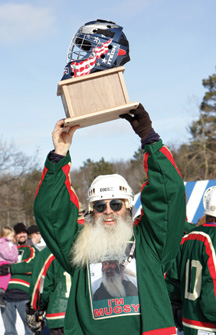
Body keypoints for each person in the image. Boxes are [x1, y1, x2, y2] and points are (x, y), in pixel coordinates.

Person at [34, 104, 186, 335]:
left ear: (128, 207)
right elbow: (51, 213)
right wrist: (59, 154)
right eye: (99, 205)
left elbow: (168, 195)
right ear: (90, 210)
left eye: (116, 204)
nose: (108, 211)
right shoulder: (79, 247)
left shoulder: (151, 242)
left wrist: (149, 137)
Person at [166, 186, 216, 335]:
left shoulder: (187, 238)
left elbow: (172, 283)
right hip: (208, 325)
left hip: (189, 323)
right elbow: (212, 287)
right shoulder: (211, 238)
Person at [0, 222, 39, 335]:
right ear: (14, 236)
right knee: (9, 331)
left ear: (27, 235)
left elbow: (31, 265)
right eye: (18, 233)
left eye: (24, 232)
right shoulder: (5, 249)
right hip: (5, 295)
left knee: (30, 330)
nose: (22, 235)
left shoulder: (31, 249)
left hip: (24, 293)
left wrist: (10, 268)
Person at [26, 246, 71, 335]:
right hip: (84, 315)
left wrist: (35, 310)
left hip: (58, 314)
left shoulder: (48, 253)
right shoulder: (85, 248)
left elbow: (40, 288)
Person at [0, 226, 18, 308]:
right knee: (5, 276)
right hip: (3, 262)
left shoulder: (12, 244)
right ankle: (2, 290)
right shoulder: (2, 243)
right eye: (10, 236)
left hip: (9, 262)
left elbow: (16, 254)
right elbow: (6, 254)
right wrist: (13, 258)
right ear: (5, 235)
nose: (12, 237)